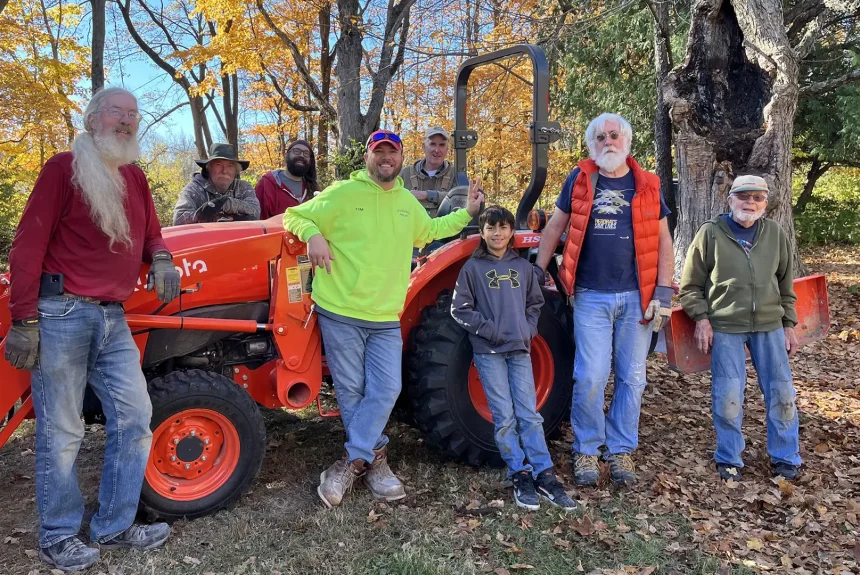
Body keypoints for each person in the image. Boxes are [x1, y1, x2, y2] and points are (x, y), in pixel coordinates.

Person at [4, 87, 179, 572]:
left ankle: (114, 525)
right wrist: (23, 321)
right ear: (93, 118)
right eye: (117, 114)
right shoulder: (63, 168)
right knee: (63, 429)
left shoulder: (136, 178)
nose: (126, 122)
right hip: (60, 313)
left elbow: (151, 234)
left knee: (135, 416)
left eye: (132, 115)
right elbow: (26, 246)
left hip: (111, 316)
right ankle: (58, 535)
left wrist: (161, 257)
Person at [283, 129, 484, 508]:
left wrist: (469, 213)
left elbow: (433, 231)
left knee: (387, 388)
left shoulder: (407, 202)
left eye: (392, 152)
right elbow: (293, 215)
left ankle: (350, 462)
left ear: (401, 158)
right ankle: (377, 464)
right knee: (352, 391)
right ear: (368, 158)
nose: (386, 158)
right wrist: (313, 234)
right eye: (379, 152)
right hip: (341, 310)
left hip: (385, 316)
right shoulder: (343, 194)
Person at [533, 113, 674, 487]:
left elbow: (663, 242)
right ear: (591, 144)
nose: (607, 141)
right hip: (591, 296)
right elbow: (555, 227)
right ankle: (587, 450)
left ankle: (622, 449)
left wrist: (664, 290)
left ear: (626, 141)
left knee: (632, 377)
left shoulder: (648, 184)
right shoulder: (580, 179)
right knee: (591, 377)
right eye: (600, 137)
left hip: (637, 296)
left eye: (614, 135)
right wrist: (538, 269)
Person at [450, 205, 578, 511]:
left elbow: (535, 303)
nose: (497, 233)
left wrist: (529, 329)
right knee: (504, 417)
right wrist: (488, 330)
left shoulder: (522, 268)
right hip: (489, 352)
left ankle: (544, 473)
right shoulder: (472, 269)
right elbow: (460, 308)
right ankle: (519, 472)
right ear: (481, 232)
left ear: (511, 232)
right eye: (491, 228)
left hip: (519, 350)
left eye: (503, 228)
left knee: (529, 414)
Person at [679, 175, 801, 482]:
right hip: (726, 327)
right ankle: (729, 458)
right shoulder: (710, 234)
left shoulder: (774, 233)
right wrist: (702, 318)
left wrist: (789, 324)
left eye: (758, 197)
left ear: (765, 203)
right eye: (744, 196)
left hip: (770, 326)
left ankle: (786, 457)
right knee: (729, 394)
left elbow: (785, 285)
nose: (750, 203)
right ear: (730, 200)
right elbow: (690, 286)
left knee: (782, 392)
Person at [173, 143, 260, 225]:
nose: (224, 170)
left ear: (236, 170)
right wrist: (203, 215)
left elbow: (256, 212)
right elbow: (178, 220)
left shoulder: (243, 187)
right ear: (208, 168)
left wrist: (227, 203)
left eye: (230, 165)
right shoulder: (194, 189)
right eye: (218, 164)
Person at [255, 139, 320, 219]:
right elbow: (259, 220)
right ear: (287, 155)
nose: (302, 155)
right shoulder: (267, 184)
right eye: (297, 151)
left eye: (306, 154)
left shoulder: (313, 189)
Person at [400, 126, 456, 218]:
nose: (437, 150)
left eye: (442, 145)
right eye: (432, 144)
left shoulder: (456, 175)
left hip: (445, 231)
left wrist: (427, 195)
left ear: (447, 149)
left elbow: (463, 202)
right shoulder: (405, 174)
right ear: (423, 147)